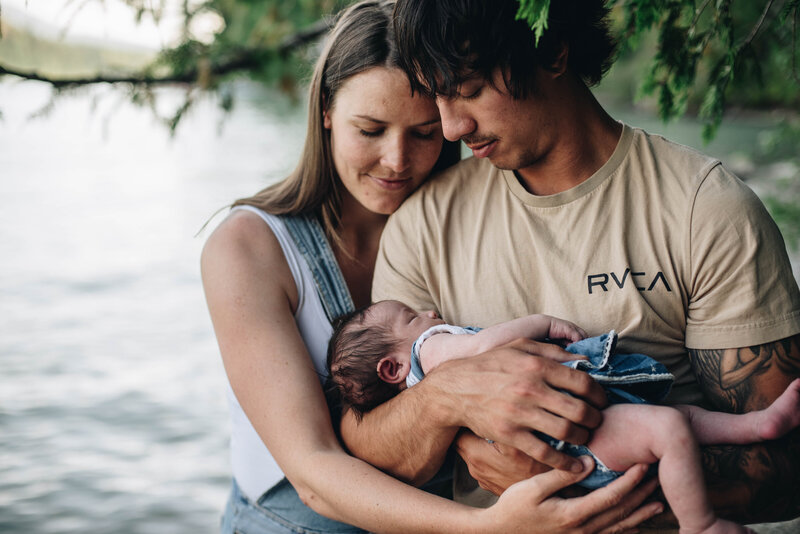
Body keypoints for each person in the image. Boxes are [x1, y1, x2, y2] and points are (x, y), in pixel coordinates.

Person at [335, 0, 800, 531]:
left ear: (553, 51)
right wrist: (445, 398)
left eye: (467, 90)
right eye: (438, 94)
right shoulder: (424, 222)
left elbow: (786, 465)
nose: (450, 126)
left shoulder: (704, 210)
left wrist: (568, 472)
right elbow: (373, 447)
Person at [201, 1, 665, 532]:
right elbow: (313, 470)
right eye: (371, 130)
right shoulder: (249, 247)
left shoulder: (456, 221)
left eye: (423, 133)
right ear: (326, 111)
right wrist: (488, 528)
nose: (397, 160)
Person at [329, 300, 800, 533]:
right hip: (577, 435)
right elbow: (481, 346)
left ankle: (758, 425)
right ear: (392, 367)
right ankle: (700, 525)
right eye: (412, 316)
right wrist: (543, 325)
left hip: (571, 428)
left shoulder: (412, 377)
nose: (429, 311)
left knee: (678, 420)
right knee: (673, 426)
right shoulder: (426, 350)